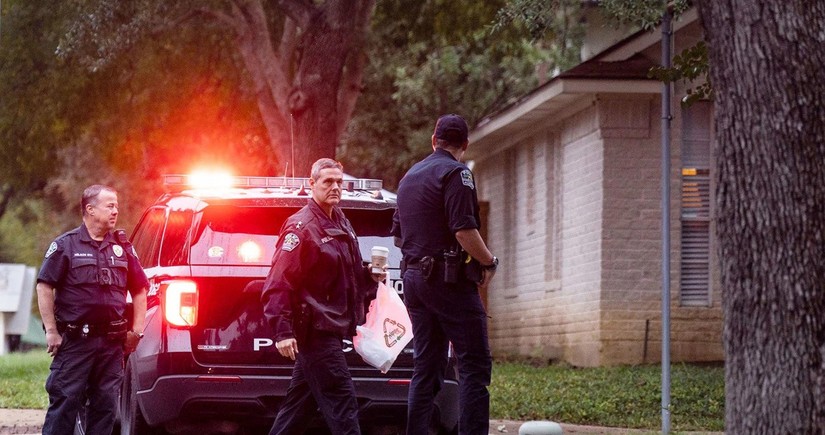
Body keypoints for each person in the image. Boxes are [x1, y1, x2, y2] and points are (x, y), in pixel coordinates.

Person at [261, 158, 386, 435]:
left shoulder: (340, 220)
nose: (335, 187)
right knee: (342, 402)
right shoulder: (301, 228)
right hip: (315, 331)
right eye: (328, 181)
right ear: (312, 184)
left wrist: (370, 276)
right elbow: (278, 282)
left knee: (297, 409)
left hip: (330, 328)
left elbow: (347, 275)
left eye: (339, 182)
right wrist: (282, 331)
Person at [392, 114, 499, 435]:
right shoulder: (457, 174)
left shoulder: (409, 176)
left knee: (426, 367)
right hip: (447, 282)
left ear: (433, 140)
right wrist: (489, 261)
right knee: (474, 364)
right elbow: (464, 231)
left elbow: (398, 234)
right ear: (464, 145)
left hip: (414, 281)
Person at [36, 184, 148, 434]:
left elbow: (140, 290)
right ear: (90, 209)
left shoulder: (123, 249)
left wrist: (137, 332)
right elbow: (44, 286)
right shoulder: (66, 245)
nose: (115, 211)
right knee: (65, 403)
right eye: (110, 206)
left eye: (116, 206)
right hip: (75, 343)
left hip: (111, 346)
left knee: (106, 408)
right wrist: (51, 331)